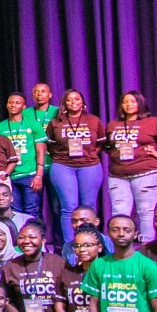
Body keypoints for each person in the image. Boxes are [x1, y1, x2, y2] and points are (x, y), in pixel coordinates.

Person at [102, 92, 157, 243]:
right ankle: (119, 249)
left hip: (146, 173)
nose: (129, 104)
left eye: (133, 102)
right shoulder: (113, 125)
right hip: (117, 175)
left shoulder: (152, 122)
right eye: (125, 102)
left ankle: (146, 247)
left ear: (140, 104)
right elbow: (107, 146)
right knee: (119, 212)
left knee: (145, 211)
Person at [43, 90, 105, 244]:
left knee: (88, 206)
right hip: (63, 166)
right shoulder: (56, 122)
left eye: (76, 99)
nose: (73, 102)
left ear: (83, 102)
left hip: (89, 166)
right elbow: (50, 146)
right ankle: (71, 247)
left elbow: (100, 143)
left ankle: (89, 242)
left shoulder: (93, 120)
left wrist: (88, 154)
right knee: (68, 206)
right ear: (64, 103)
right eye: (69, 100)